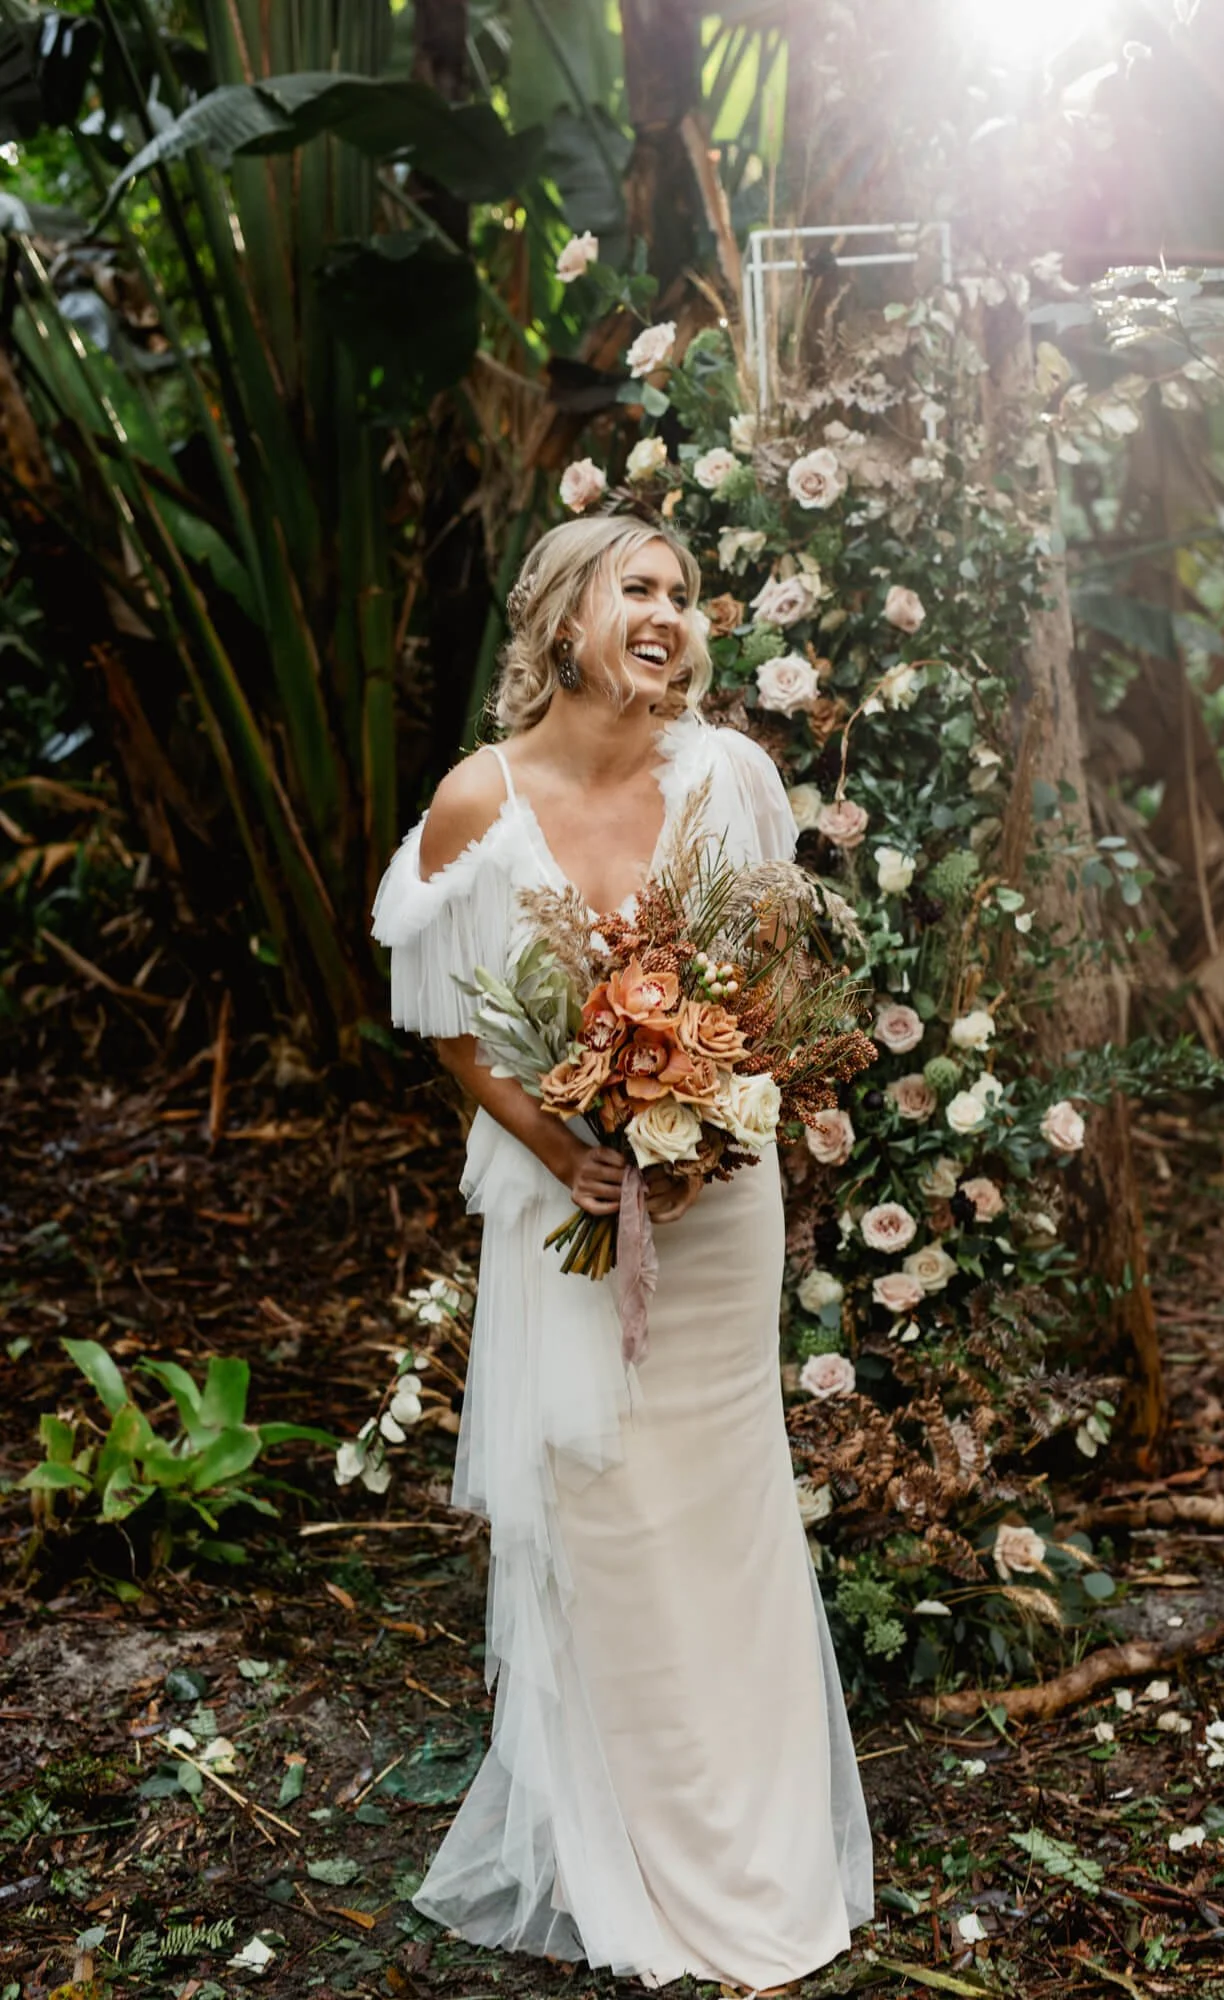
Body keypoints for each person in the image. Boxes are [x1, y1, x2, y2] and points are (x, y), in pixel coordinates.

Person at [370, 513, 872, 1989]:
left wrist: (714, 1104)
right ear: (560, 620)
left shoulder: (732, 777)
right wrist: (566, 1144)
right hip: (564, 1200)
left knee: (724, 1491)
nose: (667, 611)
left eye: (683, 593)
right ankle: (640, 1845)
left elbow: (772, 973)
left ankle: (759, 1845)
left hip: (721, 1212)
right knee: (605, 1494)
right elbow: (445, 1016)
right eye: (634, 588)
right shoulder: (481, 799)